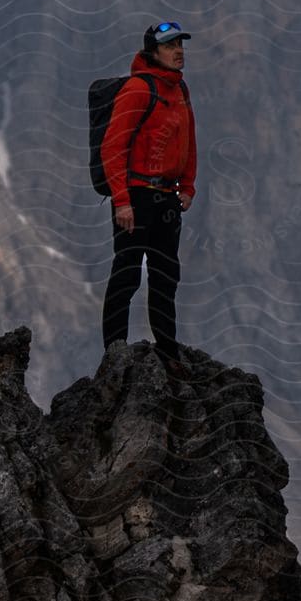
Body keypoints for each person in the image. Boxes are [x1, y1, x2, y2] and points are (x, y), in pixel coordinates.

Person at [100, 21, 197, 379]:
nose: (179, 51)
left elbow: (189, 142)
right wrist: (121, 201)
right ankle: (115, 354)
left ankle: (168, 350)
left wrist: (188, 186)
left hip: (167, 200)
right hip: (136, 198)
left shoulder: (180, 91)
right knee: (125, 276)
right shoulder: (138, 89)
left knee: (165, 278)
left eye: (180, 45)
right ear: (153, 52)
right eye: (170, 46)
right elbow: (113, 147)